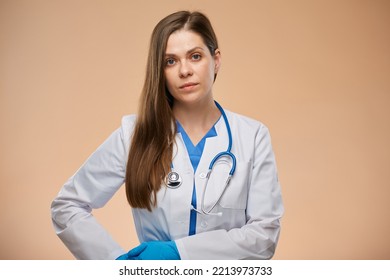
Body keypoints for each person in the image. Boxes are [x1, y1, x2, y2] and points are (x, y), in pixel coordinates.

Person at [51, 10, 284, 260]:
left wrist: (178, 253)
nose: (184, 70)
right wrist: (116, 265)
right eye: (170, 61)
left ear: (215, 60)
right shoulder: (134, 135)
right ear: (160, 71)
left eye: (195, 56)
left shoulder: (253, 136)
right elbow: (67, 206)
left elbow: (264, 235)